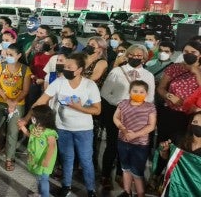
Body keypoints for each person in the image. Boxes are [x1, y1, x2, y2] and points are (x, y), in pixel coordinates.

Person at [26, 53, 101, 197]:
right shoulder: (59, 82)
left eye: (69, 67)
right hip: (63, 128)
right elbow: (41, 101)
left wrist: (79, 108)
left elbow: (97, 110)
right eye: (64, 66)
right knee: (67, 158)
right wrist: (26, 118)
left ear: (79, 69)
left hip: (83, 130)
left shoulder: (89, 85)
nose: (64, 69)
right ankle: (66, 186)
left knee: (86, 160)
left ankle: (91, 190)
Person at [99, 44, 155, 190]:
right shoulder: (117, 71)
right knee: (112, 144)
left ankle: (120, 173)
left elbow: (150, 97)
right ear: (127, 55)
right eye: (132, 54)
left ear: (144, 57)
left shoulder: (148, 75)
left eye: (139, 55)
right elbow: (105, 92)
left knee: (127, 146)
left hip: (137, 116)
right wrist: (121, 104)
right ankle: (105, 175)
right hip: (116, 112)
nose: (136, 57)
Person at [113, 80, 156, 197]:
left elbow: (151, 126)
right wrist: (123, 129)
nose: (138, 93)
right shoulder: (123, 103)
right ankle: (127, 193)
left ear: (146, 94)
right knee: (125, 169)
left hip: (140, 145)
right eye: (135, 91)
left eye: (142, 92)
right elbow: (116, 117)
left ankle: (140, 194)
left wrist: (135, 135)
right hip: (123, 141)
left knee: (137, 173)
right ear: (129, 92)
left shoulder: (150, 107)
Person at [155, 111, 201, 196]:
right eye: (195, 122)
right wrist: (164, 150)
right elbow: (167, 160)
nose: (198, 125)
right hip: (174, 188)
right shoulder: (179, 139)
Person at [18, 105, 58, 197]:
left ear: (42, 118)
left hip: (45, 159)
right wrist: (23, 128)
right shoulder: (34, 127)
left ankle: (45, 195)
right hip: (36, 157)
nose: (32, 118)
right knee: (38, 177)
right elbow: (31, 135)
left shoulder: (49, 132)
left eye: (34, 116)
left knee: (43, 179)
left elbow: (52, 147)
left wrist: (46, 160)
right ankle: (40, 194)